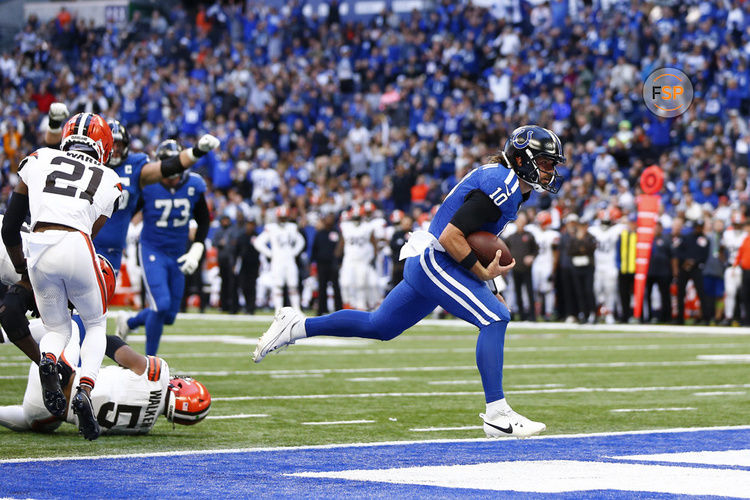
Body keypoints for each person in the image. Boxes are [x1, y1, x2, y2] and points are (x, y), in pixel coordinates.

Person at [253, 125, 566, 438]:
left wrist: (491, 286)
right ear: (523, 159)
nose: (551, 171)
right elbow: (452, 235)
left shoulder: (508, 183)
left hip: (435, 260)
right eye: (546, 162)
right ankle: (498, 414)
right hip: (437, 259)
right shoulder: (505, 184)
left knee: (380, 326)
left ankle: (297, 326)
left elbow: (475, 236)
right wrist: (483, 276)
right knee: (495, 318)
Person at [1, 112, 122, 440]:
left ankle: (49, 361)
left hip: (37, 246)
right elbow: (88, 233)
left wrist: (25, 270)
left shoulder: (38, 158)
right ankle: (84, 390)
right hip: (75, 241)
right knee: (95, 324)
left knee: (56, 328)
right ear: (103, 146)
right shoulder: (110, 179)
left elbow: (10, 227)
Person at [44, 103, 221, 274]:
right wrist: (54, 124)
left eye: (119, 145)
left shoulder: (135, 167)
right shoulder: (87, 160)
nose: (115, 150)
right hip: (79, 242)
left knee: (98, 302)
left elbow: (168, 167)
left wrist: (197, 151)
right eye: (111, 144)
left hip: (111, 251)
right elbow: (53, 154)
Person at [0, 318, 210, 435]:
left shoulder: (158, 374)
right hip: (48, 412)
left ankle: (5, 331)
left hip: (56, 380)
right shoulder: (143, 428)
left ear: (182, 387)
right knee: (35, 421)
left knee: (67, 325)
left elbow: (108, 342)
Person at [115, 140, 211, 355]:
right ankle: (150, 364)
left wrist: (196, 249)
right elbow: (127, 212)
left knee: (168, 316)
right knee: (161, 304)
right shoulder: (148, 185)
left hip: (178, 253)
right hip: (153, 250)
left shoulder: (194, 184)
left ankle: (130, 322)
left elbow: (204, 220)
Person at [252, 206, 305, 313]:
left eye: (284, 218)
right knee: (278, 286)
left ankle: (297, 309)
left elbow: (301, 241)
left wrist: (294, 252)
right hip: (277, 261)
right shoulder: (271, 228)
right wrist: (270, 254)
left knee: (293, 285)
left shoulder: (292, 227)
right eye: (281, 218)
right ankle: (278, 310)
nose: (282, 220)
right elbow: (258, 242)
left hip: (290, 260)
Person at [673, 219, 710, 324]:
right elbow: (678, 251)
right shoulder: (686, 237)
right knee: (680, 293)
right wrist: (685, 261)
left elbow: (704, 256)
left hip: (696, 268)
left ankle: (705, 318)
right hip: (684, 268)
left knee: (701, 293)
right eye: (697, 227)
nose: (698, 229)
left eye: (700, 227)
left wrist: (694, 262)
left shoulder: (705, 239)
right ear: (694, 227)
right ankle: (680, 318)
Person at [505, 212, 539, 321]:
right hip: (515, 268)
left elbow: (536, 250)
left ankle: (532, 315)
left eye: (523, 221)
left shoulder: (529, 236)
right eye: (519, 221)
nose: (521, 223)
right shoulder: (511, 237)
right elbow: (505, 251)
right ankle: (521, 315)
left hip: (527, 268)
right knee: (517, 291)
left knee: (529, 292)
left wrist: (531, 257)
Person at [311, 212, 344, 315]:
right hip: (322, 264)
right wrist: (312, 264)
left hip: (333, 264)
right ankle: (321, 310)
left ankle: (338, 309)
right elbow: (314, 249)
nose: (329, 220)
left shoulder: (337, 233)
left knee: (336, 287)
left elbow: (341, 249)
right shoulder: (319, 234)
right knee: (322, 287)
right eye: (328, 218)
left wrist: (340, 262)